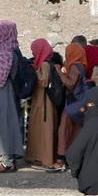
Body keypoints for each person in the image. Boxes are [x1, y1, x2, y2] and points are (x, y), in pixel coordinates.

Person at [0, 20, 25, 173]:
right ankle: (9, 158)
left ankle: (7, 162)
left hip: (3, 93)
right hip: (8, 93)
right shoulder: (13, 50)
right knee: (8, 124)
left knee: (4, 126)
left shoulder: (6, 53)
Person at [54, 42, 91, 171]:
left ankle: (61, 159)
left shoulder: (75, 66)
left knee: (64, 130)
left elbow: (70, 84)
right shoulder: (80, 65)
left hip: (73, 104)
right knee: (75, 131)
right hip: (78, 103)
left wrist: (59, 72)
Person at [26, 39, 59, 168]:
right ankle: (39, 156)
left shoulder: (45, 64)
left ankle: (45, 158)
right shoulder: (46, 63)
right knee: (40, 130)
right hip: (41, 100)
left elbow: (43, 82)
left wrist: (33, 72)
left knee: (44, 130)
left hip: (44, 102)